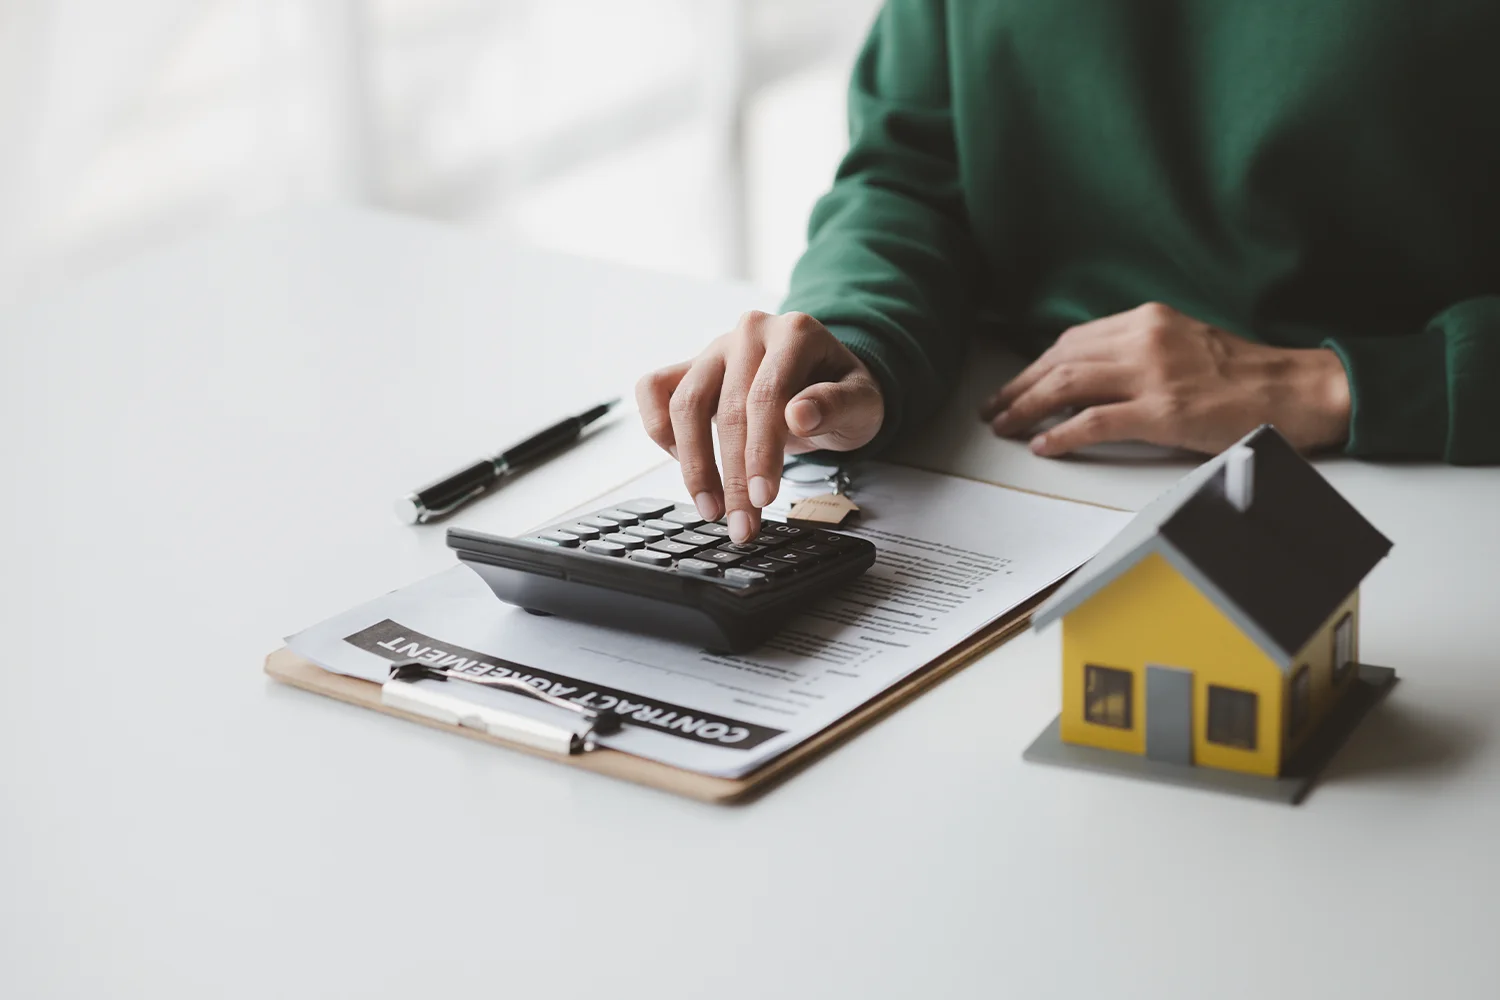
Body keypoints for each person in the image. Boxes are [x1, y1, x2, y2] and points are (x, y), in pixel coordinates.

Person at [638, 0, 1500, 544]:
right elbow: (912, 169)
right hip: (1005, 467)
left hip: (1414, 494)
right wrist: (859, 337)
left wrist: (1337, 386)